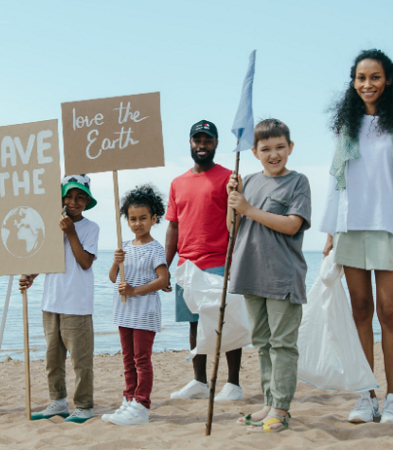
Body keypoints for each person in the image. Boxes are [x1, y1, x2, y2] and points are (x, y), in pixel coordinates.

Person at [321, 49, 393, 425]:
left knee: (388, 314)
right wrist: (331, 233)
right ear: (353, 83)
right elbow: (337, 184)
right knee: (360, 312)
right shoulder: (346, 127)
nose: (368, 84)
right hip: (351, 227)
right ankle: (366, 398)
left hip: (391, 227)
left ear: (388, 81)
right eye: (361, 78)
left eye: (375, 77)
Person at [226, 119, 311, 433]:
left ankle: (282, 409)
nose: (273, 154)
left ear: (290, 147)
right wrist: (232, 199)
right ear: (254, 151)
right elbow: (232, 229)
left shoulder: (298, 182)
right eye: (266, 149)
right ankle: (268, 402)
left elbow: (291, 225)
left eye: (279, 147)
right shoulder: (247, 180)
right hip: (249, 271)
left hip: (282, 275)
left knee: (282, 344)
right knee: (262, 342)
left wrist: (247, 207)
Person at [166, 120, 243, 401]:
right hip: (187, 265)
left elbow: (239, 220)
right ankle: (199, 382)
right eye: (197, 140)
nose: (202, 145)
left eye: (207, 141)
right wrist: (165, 265)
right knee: (194, 324)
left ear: (216, 144)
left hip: (220, 261)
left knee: (226, 321)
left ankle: (233, 384)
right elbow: (173, 226)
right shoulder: (178, 183)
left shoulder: (228, 178)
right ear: (190, 143)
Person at [19, 175, 100, 424]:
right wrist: (31, 275)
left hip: (76, 302)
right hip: (51, 301)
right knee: (53, 358)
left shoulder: (90, 228)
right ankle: (58, 401)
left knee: (80, 359)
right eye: (68, 196)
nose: (73, 202)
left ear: (87, 201)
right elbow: (48, 257)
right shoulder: (52, 225)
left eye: (80, 197)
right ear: (61, 198)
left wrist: (71, 232)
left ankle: (84, 405)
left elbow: (85, 262)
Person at [103, 184, 169, 426]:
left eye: (143, 218)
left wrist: (134, 291)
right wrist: (115, 262)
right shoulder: (126, 247)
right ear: (126, 220)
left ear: (154, 218)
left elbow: (163, 280)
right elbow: (114, 278)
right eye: (132, 219)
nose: (137, 223)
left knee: (142, 359)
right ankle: (129, 399)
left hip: (144, 313)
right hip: (124, 313)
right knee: (127, 358)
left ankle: (141, 404)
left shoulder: (155, 249)